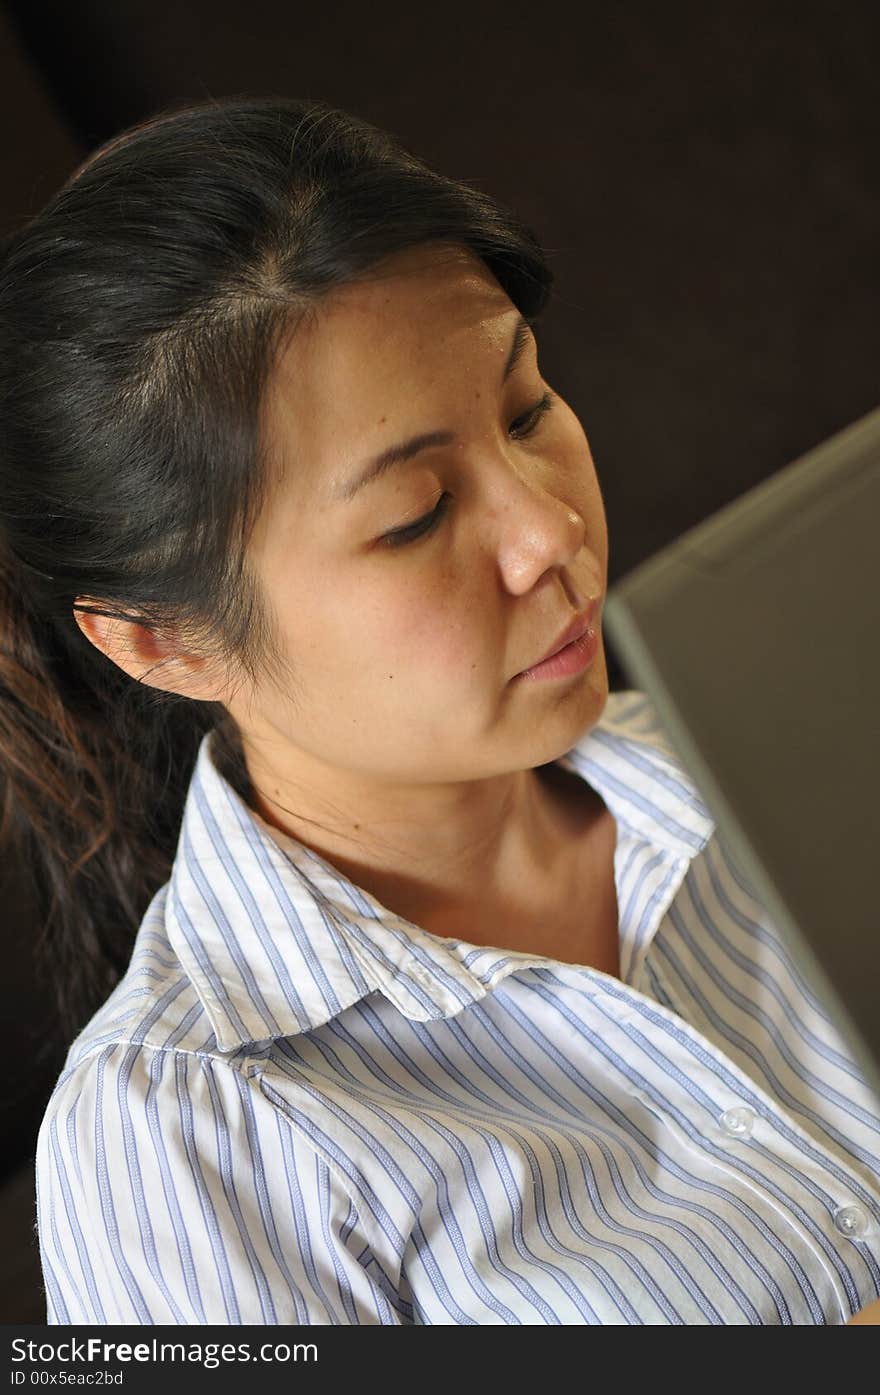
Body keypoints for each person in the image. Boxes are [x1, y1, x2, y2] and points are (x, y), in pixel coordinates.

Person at [2, 95, 878, 1326]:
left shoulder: (784, 744)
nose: (551, 533)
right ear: (166, 641)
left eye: (527, 410)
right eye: (415, 514)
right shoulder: (186, 1141)